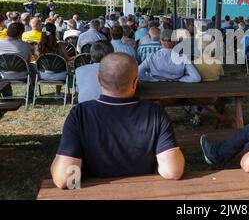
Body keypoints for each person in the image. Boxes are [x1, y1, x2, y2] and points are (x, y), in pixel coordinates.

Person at [51, 53, 184, 188]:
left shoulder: (80, 114)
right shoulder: (155, 113)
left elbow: (65, 179)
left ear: (99, 80)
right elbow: (172, 171)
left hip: (95, 193)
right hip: (141, 191)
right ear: (135, 83)